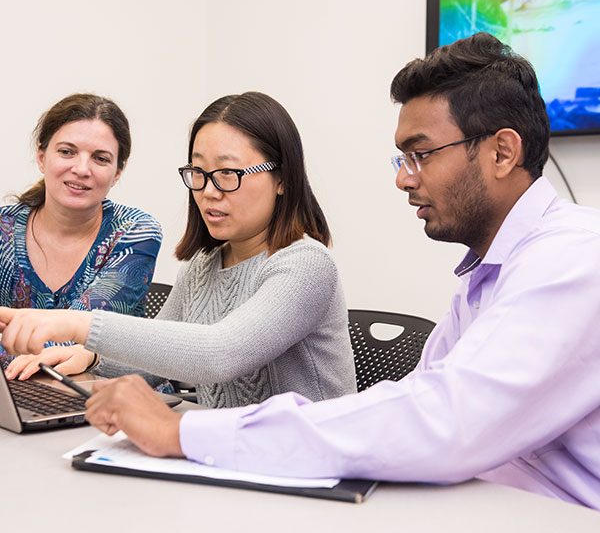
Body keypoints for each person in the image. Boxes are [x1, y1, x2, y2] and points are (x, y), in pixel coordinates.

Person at [4, 33, 599, 509]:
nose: (402, 176)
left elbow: (437, 419)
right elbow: (420, 403)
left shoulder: (570, 260)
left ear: (501, 151)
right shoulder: (484, 277)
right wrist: (91, 365)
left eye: (420, 154)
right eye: (199, 174)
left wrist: (168, 422)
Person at [2, 92, 357, 407]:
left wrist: (79, 325)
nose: (209, 191)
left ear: (282, 178)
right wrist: (92, 357)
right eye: (199, 172)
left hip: (307, 466)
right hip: (230, 453)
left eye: (228, 173)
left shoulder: (306, 264)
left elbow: (219, 353)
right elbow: (155, 364)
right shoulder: (204, 265)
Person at [0, 93, 162, 376]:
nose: (81, 169)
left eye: (100, 158)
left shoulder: (134, 231)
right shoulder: (3, 229)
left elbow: (80, 334)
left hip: (109, 401)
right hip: (12, 398)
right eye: (67, 152)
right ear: (42, 157)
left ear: (117, 173)